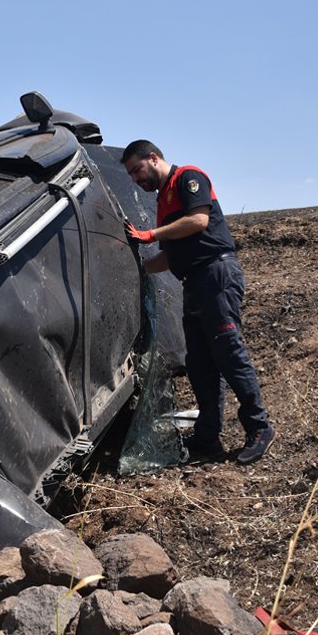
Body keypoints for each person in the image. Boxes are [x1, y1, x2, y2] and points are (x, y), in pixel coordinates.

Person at [121, 140, 276, 464]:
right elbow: (170, 256)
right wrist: (132, 268)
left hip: (216, 275)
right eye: (131, 175)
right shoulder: (163, 200)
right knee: (200, 364)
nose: (135, 179)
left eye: (137, 170)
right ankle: (208, 438)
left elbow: (198, 221)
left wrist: (148, 234)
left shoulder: (188, 178)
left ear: (153, 158)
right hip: (194, 283)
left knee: (228, 352)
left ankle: (259, 428)